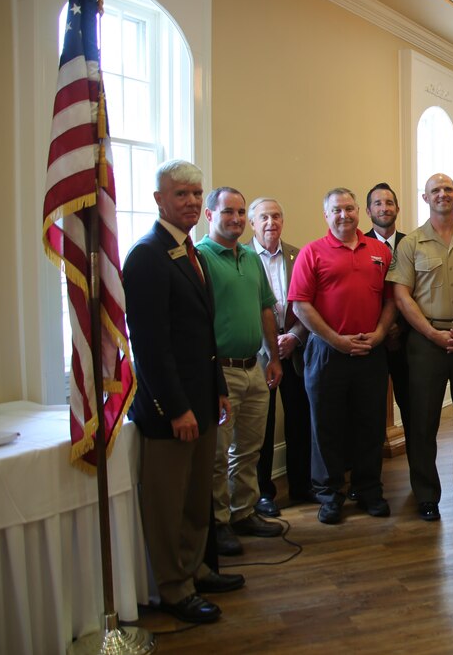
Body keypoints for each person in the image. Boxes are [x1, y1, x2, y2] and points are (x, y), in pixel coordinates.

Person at [123, 160, 241, 625]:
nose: (191, 201)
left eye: (196, 193)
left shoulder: (188, 252)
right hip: (170, 409)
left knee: (196, 497)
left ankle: (195, 569)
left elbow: (201, 337)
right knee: (168, 503)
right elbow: (150, 346)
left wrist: (216, 390)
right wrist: (176, 409)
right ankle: (173, 588)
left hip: (201, 401)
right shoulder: (147, 256)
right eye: (181, 195)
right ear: (159, 200)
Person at [387, 173, 453, 521]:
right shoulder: (411, 244)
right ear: (425, 197)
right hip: (425, 343)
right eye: (436, 190)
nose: (442, 195)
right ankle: (427, 494)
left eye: (448, 189)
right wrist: (431, 334)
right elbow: (401, 295)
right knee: (422, 421)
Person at [289, 188, 395, 524]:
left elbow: (393, 300)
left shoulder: (379, 252)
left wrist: (379, 334)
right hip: (326, 352)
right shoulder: (312, 253)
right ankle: (329, 494)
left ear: (358, 213)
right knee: (326, 425)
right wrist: (336, 340)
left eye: (349, 209)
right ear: (326, 215)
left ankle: (368, 490)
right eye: (336, 210)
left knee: (370, 423)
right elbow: (301, 304)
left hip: (370, 350)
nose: (344, 215)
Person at [197, 187, 284, 556]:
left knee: (249, 449)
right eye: (227, 212)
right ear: (209, 215)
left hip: (254, 367)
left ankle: (243, 511)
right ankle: (217, 524)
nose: (233, 218)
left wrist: (274, 357)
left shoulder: (250, 258)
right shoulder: (199, 258)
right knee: (218, 454)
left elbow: (266, 309)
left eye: (238, 212)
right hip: (221, 374)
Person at [248, 197, 312, 517]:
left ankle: (302, 485)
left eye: (276, 216)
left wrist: (294, 337)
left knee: (300, 420)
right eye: (263, 217)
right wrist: (270, 343)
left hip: (293, 352)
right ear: (253, 224)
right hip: (260, 357)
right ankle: (264, 493)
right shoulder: (242, 258)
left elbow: (307, 304)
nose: (271, 222)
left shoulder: (297, 255)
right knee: (263, 426)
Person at [365, 182, 410, 429]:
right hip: (372, 342)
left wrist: (399, 327)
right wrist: (382, 328)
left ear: (397, 208)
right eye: (378, 203)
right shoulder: (359, 245)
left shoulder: (411, 244)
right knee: (370, 412)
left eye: (389, 203)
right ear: (368, 211)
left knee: (412, 409)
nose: (384, 208)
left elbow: (419, 291)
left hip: (406, 341)